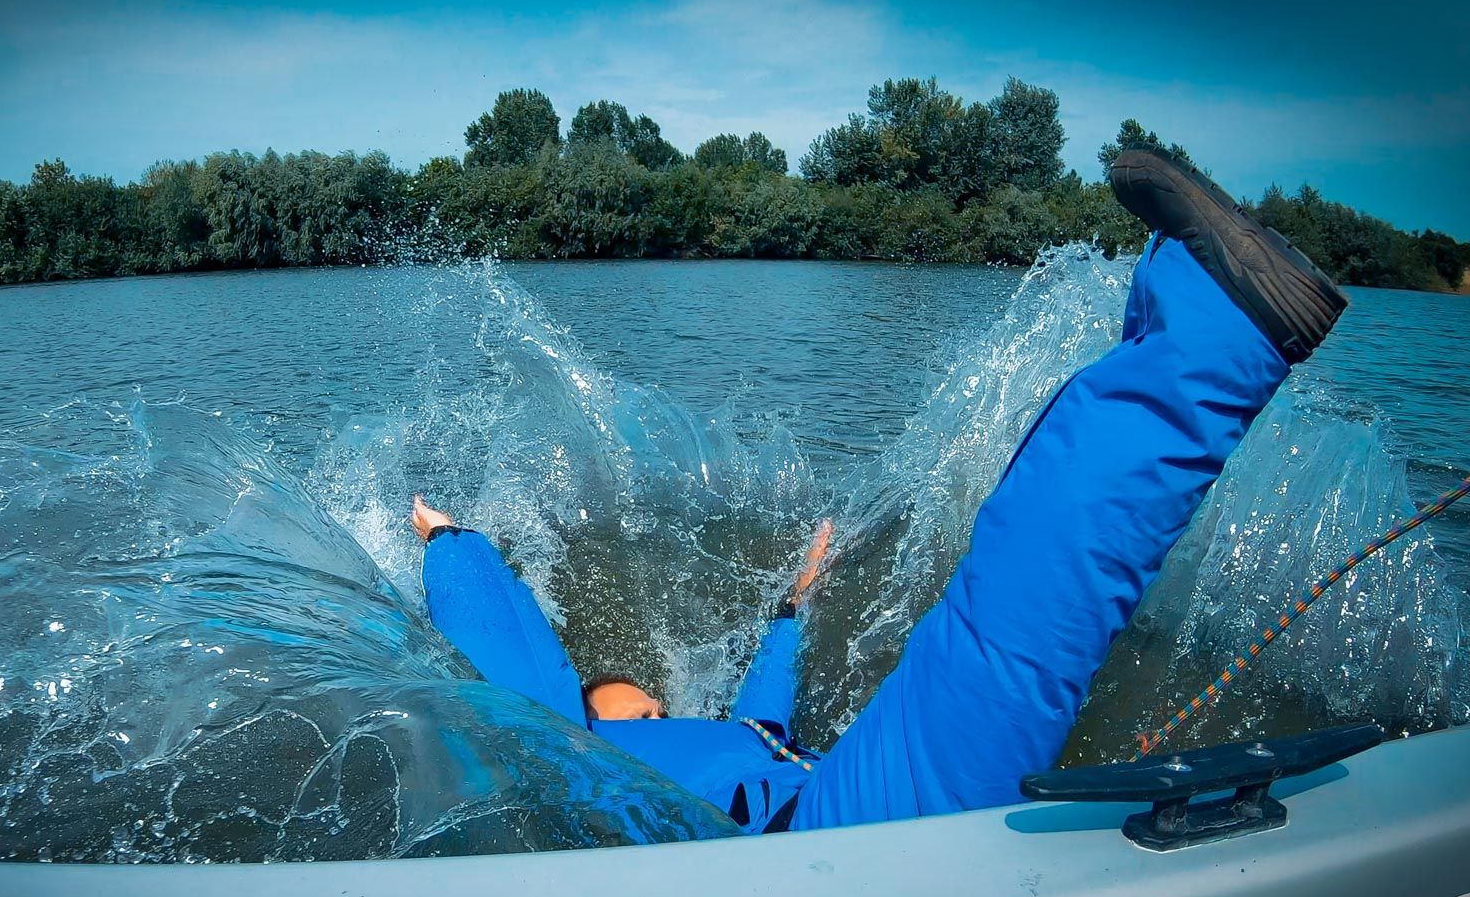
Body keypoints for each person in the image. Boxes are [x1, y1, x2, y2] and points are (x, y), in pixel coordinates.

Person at [412, 146, 1351, 834]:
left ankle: (1202, 329)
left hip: (834, 819)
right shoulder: (572, 748)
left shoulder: (730, 739)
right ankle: (1216, 335)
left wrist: (794, 603)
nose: (655, 706)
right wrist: (449, 545)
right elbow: (508, 666)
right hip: (813, 846)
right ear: (589, 711)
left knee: (997, 632)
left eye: (649, 704)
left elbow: (763, 710)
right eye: (636, 703)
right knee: (998, 641)